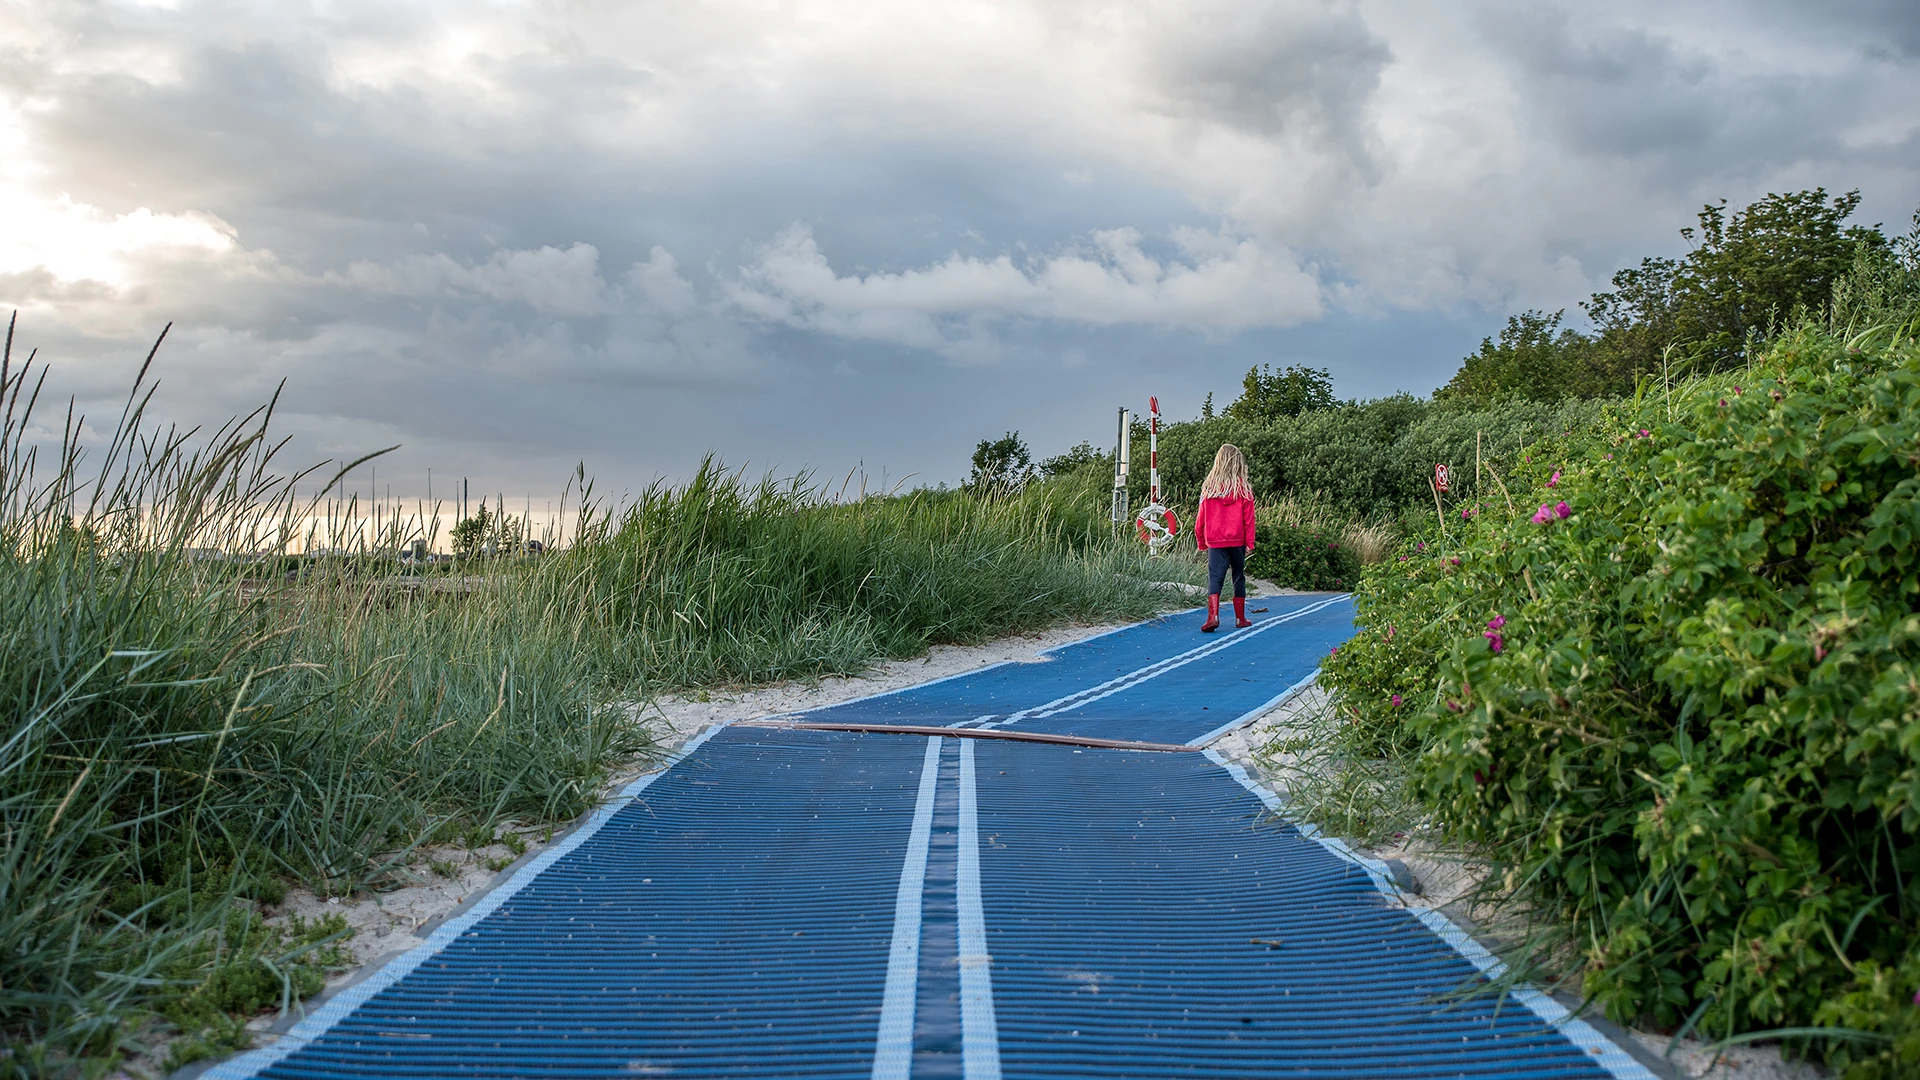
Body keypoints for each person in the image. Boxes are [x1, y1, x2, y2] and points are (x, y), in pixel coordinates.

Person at [1193, 444, 1256, 632]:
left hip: (1215, 539)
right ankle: (1240, 618)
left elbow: (1200, 518)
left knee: (1215, 577)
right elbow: (1249, 519)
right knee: (1238, 576)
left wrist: (1201, 540)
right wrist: (1249, 542)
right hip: (1237, 540)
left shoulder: (1209, 488)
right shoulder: (1243, 488)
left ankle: (1213, 616)